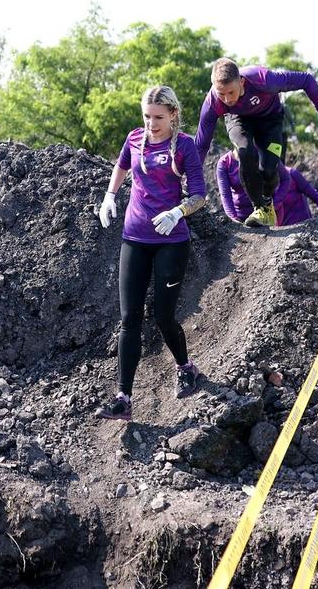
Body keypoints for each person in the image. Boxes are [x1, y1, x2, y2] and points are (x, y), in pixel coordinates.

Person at [94, 85, 208, 422]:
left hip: (171, 241)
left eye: (158, 117)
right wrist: (110, 196)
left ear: (173, 114)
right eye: (146, 116)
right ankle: (123, 398)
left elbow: (200, 195)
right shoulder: (135, 139)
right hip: (134, 237)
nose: (151, 123)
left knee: (162, 316)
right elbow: (121, 165)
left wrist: (177, 212)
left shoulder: (184, 146)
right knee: (129, 319)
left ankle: (186, 367)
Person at [194, 59, 318, 228]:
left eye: (231, 92)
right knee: (245, 152)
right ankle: (261, 208)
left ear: (241, 82)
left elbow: (306, 79)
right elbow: (201, 144)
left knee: (270, 169)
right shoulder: (213, 101)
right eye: (221, 94)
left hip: (270, 121)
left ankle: (267, 204)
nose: (226, 99)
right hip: (239, 121)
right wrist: (191, 178)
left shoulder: (263, 80)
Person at [217, 151, 318, 225]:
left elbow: (315, 195)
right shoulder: (225, 163)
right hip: (253, 216)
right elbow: (225, 195)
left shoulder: (292, 174)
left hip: (298, 222)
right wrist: (233, 219)